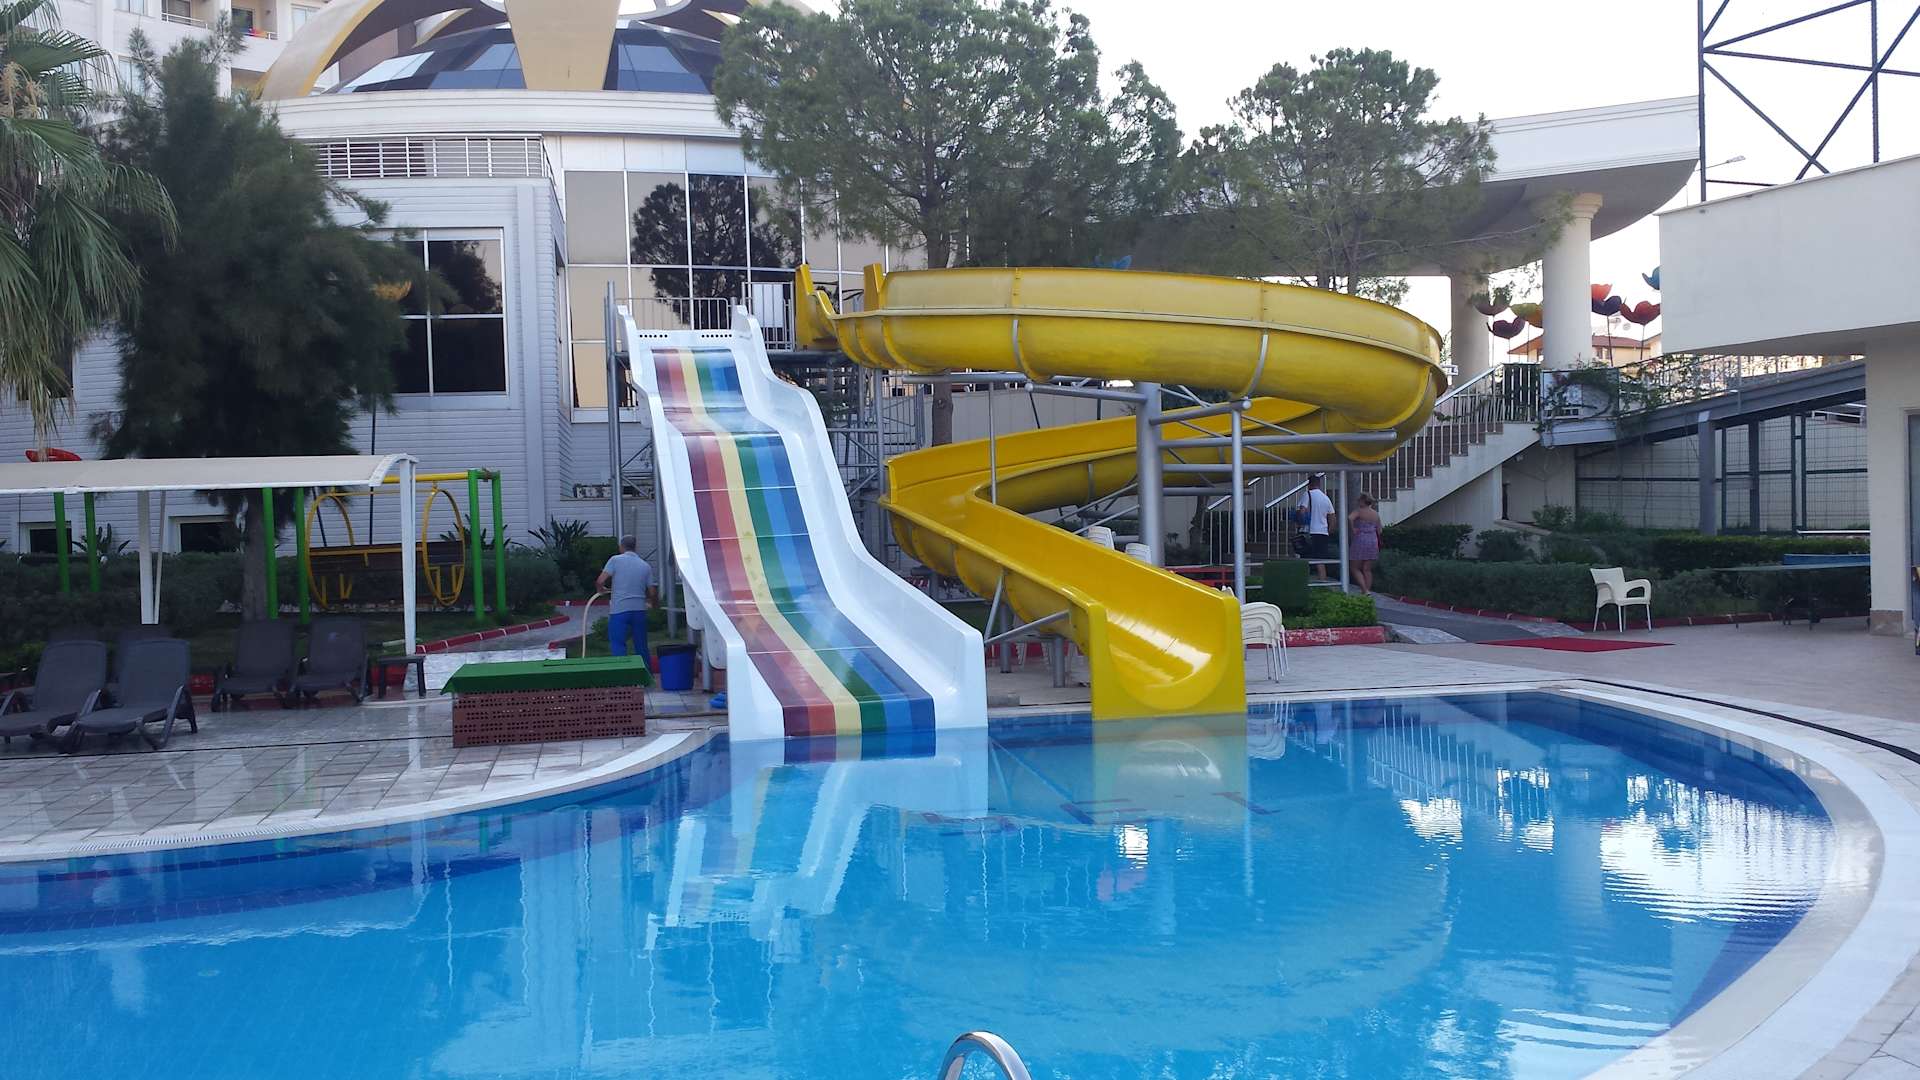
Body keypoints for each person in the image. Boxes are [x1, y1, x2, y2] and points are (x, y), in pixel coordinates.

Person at [595, 535, 659, 660]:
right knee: (641, 646)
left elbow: (600, 581)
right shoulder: (645, 565)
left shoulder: (615, 560)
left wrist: (601, 590)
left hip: (619, 610)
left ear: (621, 547)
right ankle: (645, 671)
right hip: (639, 610)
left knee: (618, 645)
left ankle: (621, 671)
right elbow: (652, 592)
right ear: (635, 547)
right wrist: (654, 605)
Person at [1295, 474, 1336, 580]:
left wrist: (1299, 521)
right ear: (1319, 484)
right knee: (1320, 559)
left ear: (1309, 484)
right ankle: (1323, 580)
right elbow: (1332, 517)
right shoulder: (1326, 498)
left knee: (1305, 559)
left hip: (1310, 532)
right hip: (1323, 532)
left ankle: (1305, 581)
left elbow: (1302, 511)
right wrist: (1329, 530)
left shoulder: (1307, 494)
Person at [1348, 492, 1383, 593]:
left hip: (1361, 539)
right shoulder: (1375, 514)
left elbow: (1350, 518)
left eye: (1359, 500)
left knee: (1354, 567)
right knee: (1367, 569)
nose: (1358, 502)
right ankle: (1367, 591)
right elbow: (1380, 530)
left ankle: (1364, 589)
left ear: (1363, 501)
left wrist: (1353, 528)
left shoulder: (1359, 511)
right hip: (1372, 540)